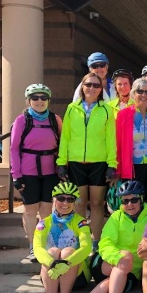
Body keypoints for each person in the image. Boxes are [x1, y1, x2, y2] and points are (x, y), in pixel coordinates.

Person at [36, 181, 147, 293]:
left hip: (129, 271)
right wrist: (118, 258)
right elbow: (105, 244)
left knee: (109, 282)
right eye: (125, 201)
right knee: (124, 258)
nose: (129, 204)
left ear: (141, 199)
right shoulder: (116, 217)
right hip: (106, 263)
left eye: (133, 200)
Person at [57, 72, 117, 252]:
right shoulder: (71, 108)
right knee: (80, 203)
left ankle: (96, 242)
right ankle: (82, 241)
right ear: (82, 87)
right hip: (75, 162)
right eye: (88, 84)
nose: (92, 88)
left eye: (96, 86)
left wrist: (112, 164)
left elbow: (110, 139)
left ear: (101, 90)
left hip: (99, 163)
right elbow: (65, 137)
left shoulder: (107, 110)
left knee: (97, 204)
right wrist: (61, 162)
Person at [10, 83, 62, 261]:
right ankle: (33, 246)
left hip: (50, 171)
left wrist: (62, 167)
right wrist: (16, 174)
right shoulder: (22, 120)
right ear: (28, 100)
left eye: (43, 98)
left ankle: (45, 243)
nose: (39, 101)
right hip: (28, 171)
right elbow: (14, 149)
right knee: (31, 210)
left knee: (47, 210)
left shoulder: (55, 119)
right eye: (35, 98)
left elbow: (62, 145)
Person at [33, 182, 91, 293]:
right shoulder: (44, 223)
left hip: (77, 274)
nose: (65, 202)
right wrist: (53, 263)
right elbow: (37, 248)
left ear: (75, 202)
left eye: (70, 199)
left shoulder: (81, 222)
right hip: (51, 273)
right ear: (54, 200)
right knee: (52, 252)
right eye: (61, 198)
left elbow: (86, 247)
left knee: (68, 251)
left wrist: (67, 263)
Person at [116, 78, 147, 208]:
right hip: (131, 166)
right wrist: (117, 169)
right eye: (140, 91)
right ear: (133, 93)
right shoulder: (123, 114)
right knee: (132, 202)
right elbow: (117, 143)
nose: (144, 95)